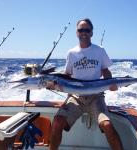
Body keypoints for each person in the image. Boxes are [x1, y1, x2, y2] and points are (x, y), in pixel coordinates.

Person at [48, 18, 123, 150]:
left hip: (96, 96)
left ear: (91, 33)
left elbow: (105, 70)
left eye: (87, 30)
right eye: (80, 30)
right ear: (76, 33)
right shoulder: (71, 53)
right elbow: (67, 76)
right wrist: (56, 86)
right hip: (76, 97)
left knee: (108, 125)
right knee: (57, 122)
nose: (84, 32)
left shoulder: (99, 50)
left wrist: (111, 84)